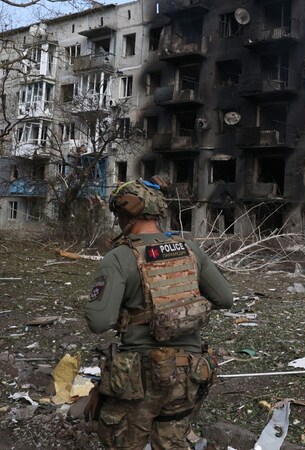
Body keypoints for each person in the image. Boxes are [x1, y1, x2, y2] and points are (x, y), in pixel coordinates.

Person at [84, 178, 233, 450]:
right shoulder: (190, 249)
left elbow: (99, 321)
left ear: (125, 214)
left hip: (138, 380)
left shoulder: (119, 258)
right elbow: (225, 298)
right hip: (188, 376)